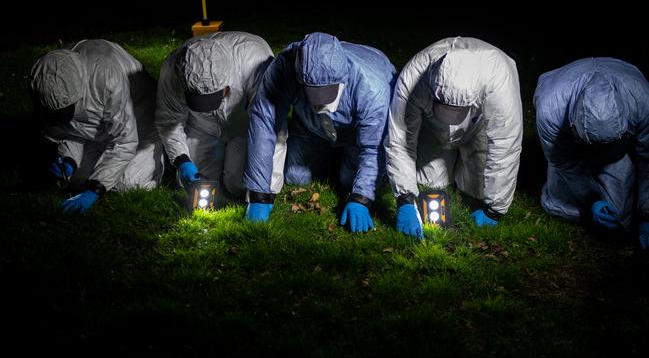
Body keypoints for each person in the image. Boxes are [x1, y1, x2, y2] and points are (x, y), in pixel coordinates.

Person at [243, 32, 397, 232]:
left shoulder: (371, 87)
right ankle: (327, 151)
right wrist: (259, 195)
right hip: (311, 125)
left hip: (354, 134)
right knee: (296, 177)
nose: (321, 101)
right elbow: (264, 122)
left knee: (349, 180)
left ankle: (344, 156)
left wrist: (361, 198)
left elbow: (373, 147)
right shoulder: (286, 66)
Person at [385, 36, 523, 238]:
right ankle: (445, 157)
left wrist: (495, 208)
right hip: (433, 126)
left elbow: (505, 144)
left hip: (478, 124)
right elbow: (400, 138)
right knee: (431, 182)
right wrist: (405, 199)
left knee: (476, 189)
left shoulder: (499, 77)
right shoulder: (414, 76)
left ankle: (469, 161)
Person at [30, 38, 165, 213]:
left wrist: (94, 191)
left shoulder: (106, 77)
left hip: (140, 118)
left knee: (131, 185)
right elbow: (71, 130)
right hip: (101, 130)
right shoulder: (47, 79)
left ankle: (159, 153)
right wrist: (69, 159)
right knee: (74, 181)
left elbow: (125, 141)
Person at [533, 57, 649, 250]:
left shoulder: (643, 99)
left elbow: (647, 161)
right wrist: (592, 199)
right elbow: (563, 162)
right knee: (559, 203)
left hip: (617, 145)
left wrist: (646, 214)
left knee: (620, 216)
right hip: (564, 114)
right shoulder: (550, 109)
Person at [155, 31, 274, 205]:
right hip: (202, 125)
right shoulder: (175, 69)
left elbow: (270, 126)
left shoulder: (255, 60)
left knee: (238, 186)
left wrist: (262, 197)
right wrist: (182, 161)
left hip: (246, 126)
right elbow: (169, 121)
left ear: (227, 80)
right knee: (194, 184)